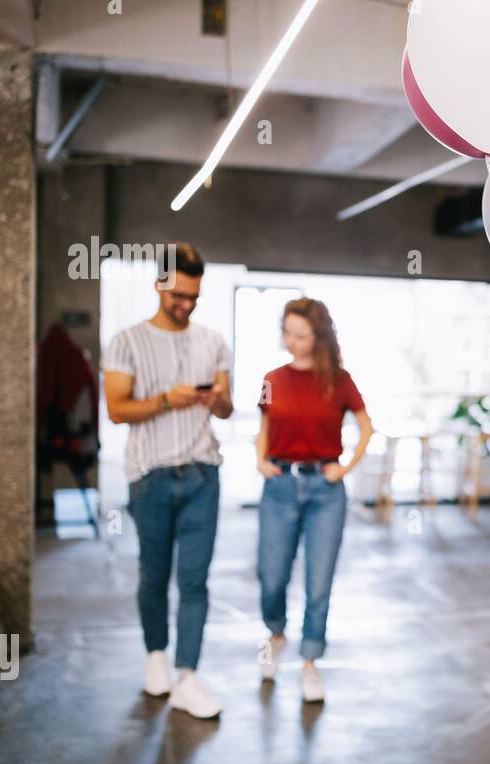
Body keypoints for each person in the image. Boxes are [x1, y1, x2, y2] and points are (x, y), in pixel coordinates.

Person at [104, 243, 233, 720]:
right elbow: (117, 410)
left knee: (195, 580)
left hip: (202, 472)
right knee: (154, 574)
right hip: (150, 476)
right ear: (159, 284)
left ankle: (188, 676)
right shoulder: (126, 342)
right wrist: (166, 401)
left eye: (193, 296)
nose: (186, 304)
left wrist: (216, 400)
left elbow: (227, 407)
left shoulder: (214, 341)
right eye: (178, 294)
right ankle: (155, 654)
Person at [256, 297, 372, 703]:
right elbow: (265, 426)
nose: (292, 341)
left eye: (301, 335)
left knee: (318, 582)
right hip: (279, 488)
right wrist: (260, 460)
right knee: (271, 575)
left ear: (319, 336)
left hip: (326, 490)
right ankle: (274, 634)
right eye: (287, 332)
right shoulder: (272, 377)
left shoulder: (339, 380)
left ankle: (309, 662)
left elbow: (366, 427)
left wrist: (346, 467)